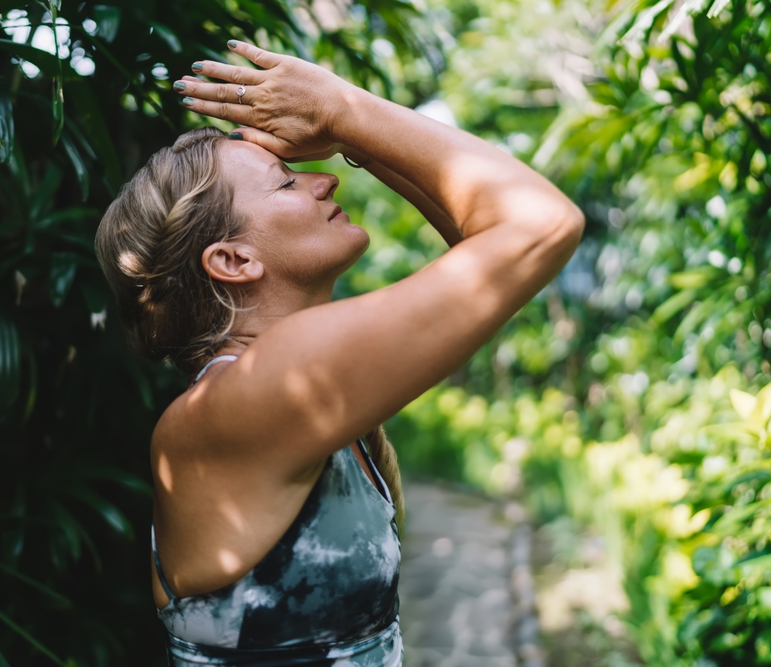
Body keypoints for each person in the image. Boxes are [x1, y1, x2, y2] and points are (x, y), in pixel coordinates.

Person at [95, 40, 583, 667]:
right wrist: (343, 111)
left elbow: (491, 242)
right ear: (234, 260)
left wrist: (355, 137)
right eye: (287, 181)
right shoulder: (254, 394)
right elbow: (540, 223)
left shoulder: (271, 388)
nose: (325, 177)